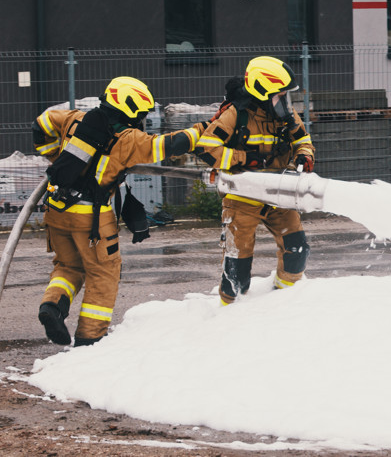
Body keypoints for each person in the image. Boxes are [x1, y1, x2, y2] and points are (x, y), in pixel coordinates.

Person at [33, 76, 204, 346]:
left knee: (68, 266)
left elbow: (42, 123)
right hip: (92, 219)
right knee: (103, 274)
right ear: (131, 109)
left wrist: (53, 155)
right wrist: (202, 130)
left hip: (56, 209)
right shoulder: (128, 139)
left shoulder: (75, 119)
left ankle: (52, 307)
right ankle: (90, 340)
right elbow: (167, 145)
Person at [193, 56, 315, 305]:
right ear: (262, 92)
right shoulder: (234, 115)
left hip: (278, 193)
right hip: (242, 197)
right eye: (279, 94)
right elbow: (207, 149)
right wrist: (244, 159)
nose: (285, 100)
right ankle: (230, 311)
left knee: (297, 249)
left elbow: (303, 140)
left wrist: (304, 156)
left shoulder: (284, 113)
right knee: (237, 264)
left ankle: (286, 300)